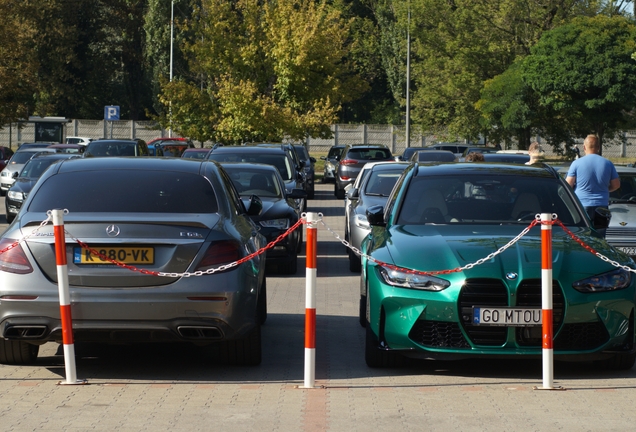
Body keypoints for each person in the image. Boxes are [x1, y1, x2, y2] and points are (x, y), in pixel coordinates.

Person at [566, 134, 620, 226]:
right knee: (600, 235)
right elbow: (616, 185)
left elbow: (568, 185)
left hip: (582, 205)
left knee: (582, 234)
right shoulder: (608, 163)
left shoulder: (576, 163)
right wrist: (605, 190)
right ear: (598, 147)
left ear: (584, 147)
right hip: (602, 205)